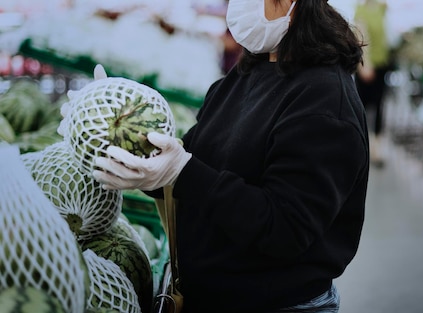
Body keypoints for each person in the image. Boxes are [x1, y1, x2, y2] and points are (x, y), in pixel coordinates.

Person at [92, 0, 370, 312]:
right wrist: (119, 130)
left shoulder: (325, 102)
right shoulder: (249, 72)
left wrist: (182, 172)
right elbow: (193, 164)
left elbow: (285, 229)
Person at [353, 0, 391, 168]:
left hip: (381, 65)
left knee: (379, 106)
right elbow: (361, 39)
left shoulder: (382, 10)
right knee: (362, 107)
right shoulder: (361, 11)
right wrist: (365, 65)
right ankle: (360, 147)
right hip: (368, 67)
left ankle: (376, 148)